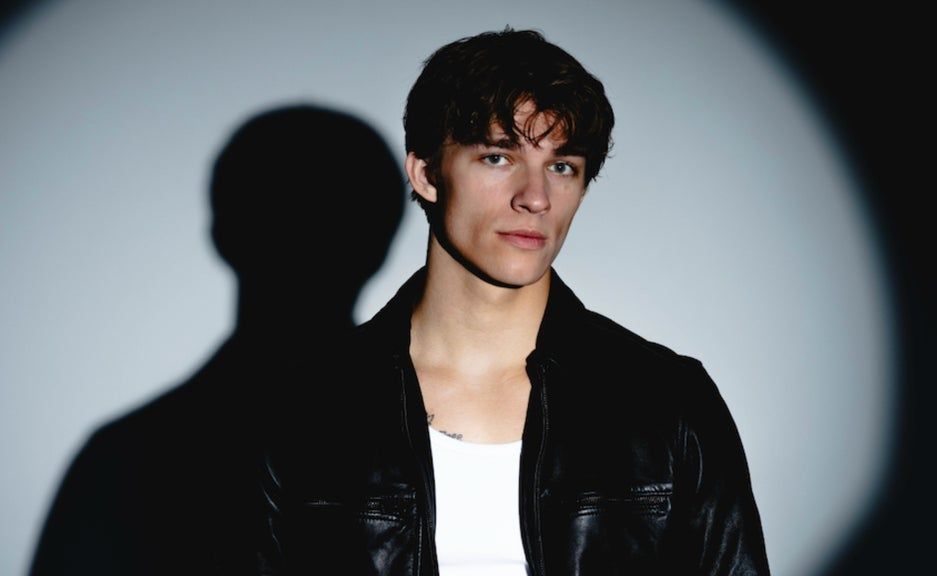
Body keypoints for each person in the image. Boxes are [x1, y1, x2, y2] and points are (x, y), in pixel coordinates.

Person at [259, 29, 769, 575]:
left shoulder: (669, 403)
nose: (536, 197)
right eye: (498, 157)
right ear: (427, 174)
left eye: (562, 166)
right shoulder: (301, 409)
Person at [30, 105, 405, 575]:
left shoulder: (122, 464)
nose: (301, 245)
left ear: (223, 234)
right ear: (379, 247)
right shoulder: (437, 452)